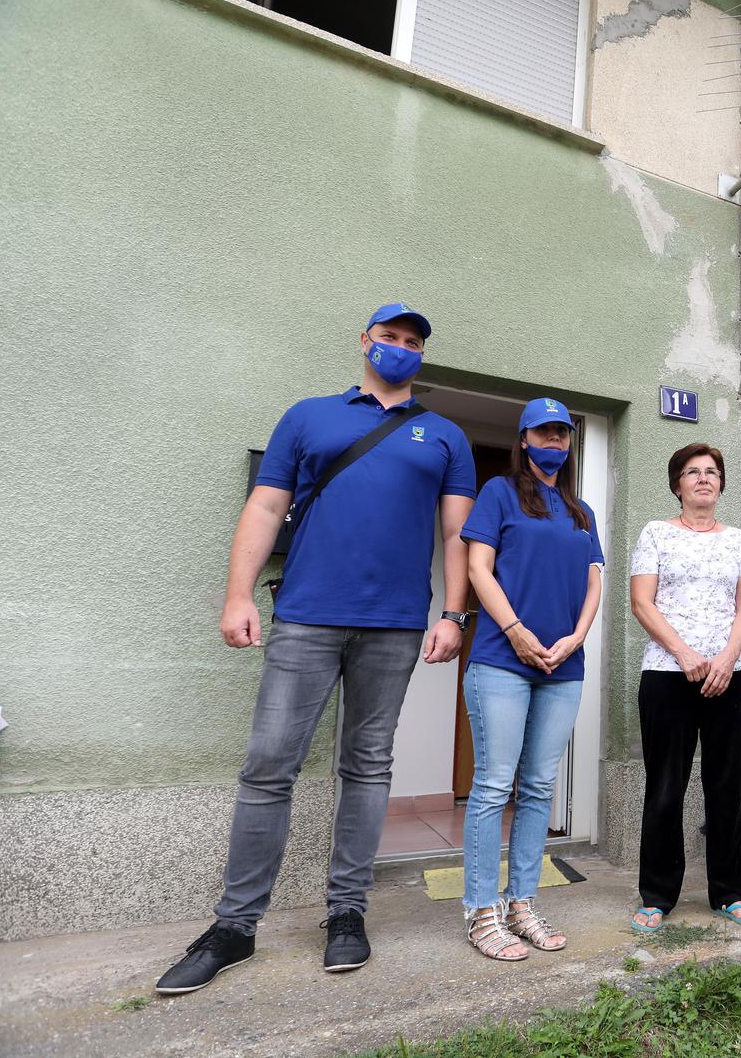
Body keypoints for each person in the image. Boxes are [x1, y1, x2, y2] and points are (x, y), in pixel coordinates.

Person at [157, 303, 476, 995]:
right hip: (305, 617)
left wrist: (454, 614)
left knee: (367, 766)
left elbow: (458, 534)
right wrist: (237, 595)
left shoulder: (446, 435)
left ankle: (346, 913)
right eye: (389, 336)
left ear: (422, 355)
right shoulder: (308, 417)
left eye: (413, 341)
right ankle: (235, 926)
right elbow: (266, 506)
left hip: (394, 624)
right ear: (365, 342)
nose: (400, 347)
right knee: (269, 767)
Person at [456, 397, 604, 962]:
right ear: (524, 440)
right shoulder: (498, 493)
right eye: (543, 433)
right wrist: (516, 631)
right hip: (502, 659)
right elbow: (477, 568)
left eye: (562, 434)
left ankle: (522, 903)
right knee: (494, 785)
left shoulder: (580, 511)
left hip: (563, 664)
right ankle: (481, 910)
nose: (554, 442)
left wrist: (578, 636)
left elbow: (594, 580)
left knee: (539, 786)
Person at [628, 444, 741, 933]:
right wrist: (684, 653)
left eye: (712, 472)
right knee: (666, 786)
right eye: (692, 472)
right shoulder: (655, 533)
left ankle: (729, 893)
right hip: (668, 675)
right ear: (677, 484)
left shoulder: (738, 539)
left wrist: (726, 658)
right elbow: (642, 602)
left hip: (731, 675)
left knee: (725, 787)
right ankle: (657, 895)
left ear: (721, 484)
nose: (704, 478)